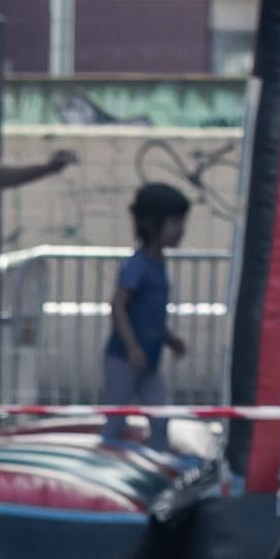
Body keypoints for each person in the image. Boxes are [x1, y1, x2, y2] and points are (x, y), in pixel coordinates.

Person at [101, 175, 190, 429]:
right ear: (153, 224)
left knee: (160, 419)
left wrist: (169, 339)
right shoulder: (137, 266)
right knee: (116, 421)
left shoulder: (158, 264)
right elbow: (118, 306)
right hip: (123, 360)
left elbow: (149, 315)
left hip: (149, 361)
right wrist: (132, 348)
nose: (181, 229)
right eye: (175, 222)